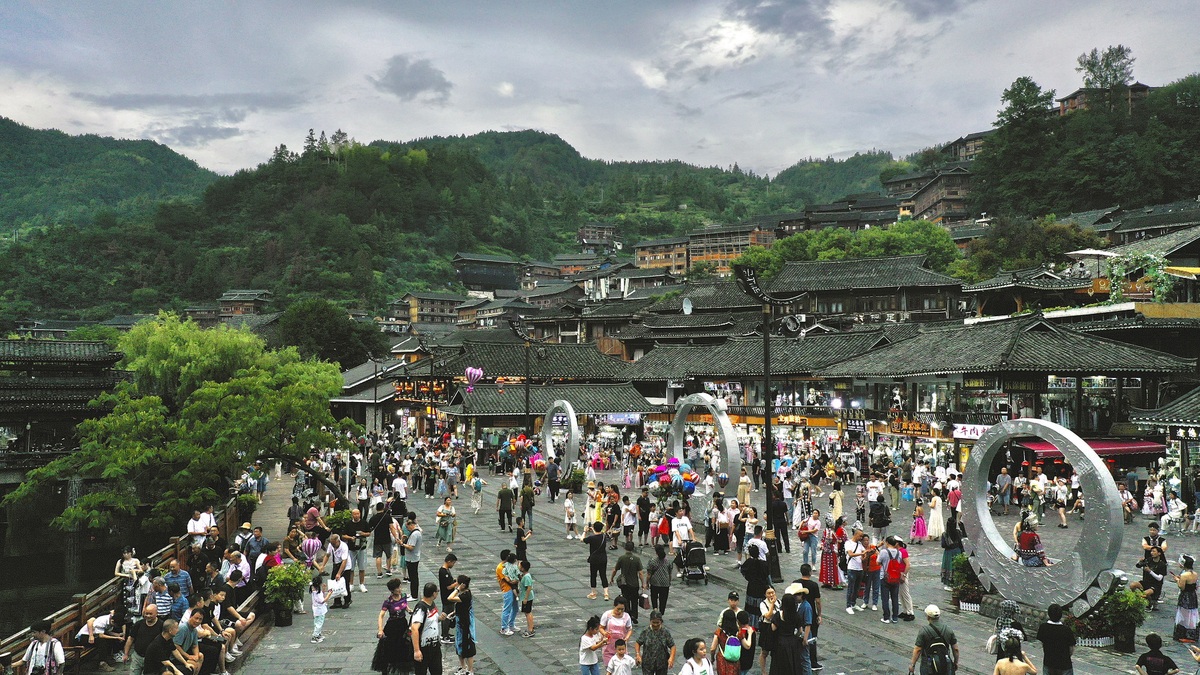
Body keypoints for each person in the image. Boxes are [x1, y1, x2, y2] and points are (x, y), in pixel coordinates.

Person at [372, 577, 414, 674]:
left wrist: (409, 610)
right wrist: (380, 629)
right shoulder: (388, 601)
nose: (399, 589)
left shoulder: (403, 596)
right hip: (392, 627)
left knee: (403, 647)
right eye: (397, 588)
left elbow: (405, 605)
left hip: (403, 625)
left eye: (400, 587)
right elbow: (381, 615)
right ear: (392, 590)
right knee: (390, 649)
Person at [909, 604, 958, 675]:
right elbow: (956, 649)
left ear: (928, 617)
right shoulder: (948, 630)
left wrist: (912, 665)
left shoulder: (923, 631)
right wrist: (955, 662)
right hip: (944, 662)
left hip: (927, 664)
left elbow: (918, 650)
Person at [410, 582, 442, 675]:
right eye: (437, 591)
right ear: (434, 593)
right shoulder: (421, 608)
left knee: (437, 671)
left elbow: (432, 620)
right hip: (424, 647)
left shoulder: (432, 604)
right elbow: (414, 628)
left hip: (435, 646)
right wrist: (417, 650)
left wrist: (440, 618)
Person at [1035, 602, 1076, 675]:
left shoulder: (1043, 627)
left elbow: (1042, 643)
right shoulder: (1066, 630)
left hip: (1049, 662)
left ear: (1049, 614)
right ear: (1061, 615)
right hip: (1064, 664)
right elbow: (1071, 649)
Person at [447, 575, 476, 675]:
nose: (456, 584)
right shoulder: (464, 594)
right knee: (459, 644)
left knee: (468, 646)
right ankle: (463, 667)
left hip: (465, 624)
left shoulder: (465, 595)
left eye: (458, 583)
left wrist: (457, 589)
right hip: (460, 622)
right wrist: (454, 612)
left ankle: (470, 670)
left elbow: (450, 598)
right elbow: (462, 606)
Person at [611, 542, 644, 625]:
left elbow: (615, 570)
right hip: (635, 584)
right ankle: (634, 615)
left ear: (625, 548)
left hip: (625, 584)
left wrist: (611, 578)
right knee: (634, 601)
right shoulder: (637, 559)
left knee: (626, 600)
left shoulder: (622, 558)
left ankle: (628, 615)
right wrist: (643, 583)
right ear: (633, 548)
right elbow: (640, 573)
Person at [634, 610, 676, 675]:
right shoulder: (646, 631)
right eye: (653, 622)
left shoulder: (665, 632)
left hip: (662, 662)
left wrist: (671, 658)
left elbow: (672, 646)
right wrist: (637, 654)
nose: (655, 625)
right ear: (650, 621)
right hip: (647, 662)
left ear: (661, 622)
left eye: (657, 622)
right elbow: (638, 643)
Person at [1133, 546, 1169, 611]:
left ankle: (1150, 602)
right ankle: (1147, 599)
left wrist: (1150, 571)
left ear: (1159, 553)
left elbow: (1159, 578)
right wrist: (1139, 561)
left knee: (1144, 594)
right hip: (1146, 582)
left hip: (1155, 585)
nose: (1152, 553)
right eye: (1151, 551)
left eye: (1154, 551)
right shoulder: (1149, 560)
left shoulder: (1162, 565)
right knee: (1133, 585)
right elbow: (1138, 566)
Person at [600, 597, 633, 665]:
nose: (620, 611)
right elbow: (601, 628)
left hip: (621, 647)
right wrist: (605, 633)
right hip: (608, 646)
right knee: (609, 667)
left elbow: (629, 629)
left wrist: (627, 638)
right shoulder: (607, 615)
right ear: (614, 606)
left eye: (622, 609)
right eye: (618, 609)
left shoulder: (626, 616)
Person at [1174, 554, 1199, 643]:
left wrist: (1177, 580)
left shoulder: (1184, 575)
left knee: (1183, 614)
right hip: (1193, 595)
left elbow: (1182, 587)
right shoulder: (1195, 574)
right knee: (1191, 615)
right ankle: (1191, 634)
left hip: (1185, 596)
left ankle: (1183, 634)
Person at [585, 521, 612, 601]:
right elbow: (599, 533)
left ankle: (593, 593)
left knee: (593, 575)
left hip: (594, 559)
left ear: (594, 528)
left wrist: (585, 531)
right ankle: (606, 594)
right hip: (603, 559)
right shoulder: (604, 536)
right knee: (603, 575)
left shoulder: (591, 538)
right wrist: (594, 529)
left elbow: (582, 539)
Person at [496, 549, 519, 637]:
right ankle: (504, 628)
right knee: (507, 609)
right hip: (507, 589)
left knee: (515, 608)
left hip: (513, 588)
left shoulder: (509, 565)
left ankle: (511, 624)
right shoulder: (500, 567)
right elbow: (507, 579)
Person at [845, 526, 868, 613]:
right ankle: (848, 606)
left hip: (859, 568)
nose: (861, 538)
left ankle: (853, 603)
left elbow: (863, 557)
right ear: (855, 534)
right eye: (860, 536)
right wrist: (861, 554)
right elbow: (850, 554)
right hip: (852, 568)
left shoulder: (860, 544)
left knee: (857, 588)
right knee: (851, 588)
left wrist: (865, 555)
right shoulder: (848, 543)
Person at [820, 516, 846, 589]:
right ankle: (834, 583)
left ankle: (826, 581)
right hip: (831, 552)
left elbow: (823, 540)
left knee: (825, 567)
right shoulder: (831, 532)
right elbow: (830, 541)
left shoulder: (825, 531)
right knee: (833, 567)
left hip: (825, 552)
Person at [646, 544, 672, 616]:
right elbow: (669, 573)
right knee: (663, 600)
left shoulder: (652, 561)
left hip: (655, 582)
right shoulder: (668, 561)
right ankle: (661, 613)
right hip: (665, 583)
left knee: (654, 597)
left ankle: (655, 610)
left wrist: (647, 582)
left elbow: (649, 574)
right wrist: (669, 581)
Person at [402, 513, 423, 601]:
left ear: (411, 525)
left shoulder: (414, 534)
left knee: (413, 578)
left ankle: (414, 595)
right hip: (414, 557)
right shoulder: (417, 532)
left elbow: (411, 547)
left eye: (408, 527)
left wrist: (403, 544)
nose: (408, 529)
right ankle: (413, 593)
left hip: (412, 558)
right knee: (413, 577)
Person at [518, 559, 536, 638]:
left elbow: (529, 588)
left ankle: (530, 630)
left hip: (527, 597)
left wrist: (525, 598)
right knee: (527, 612)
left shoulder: (527, 577)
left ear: (523, 568)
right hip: (525, 596)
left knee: (528, 613)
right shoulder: (524, 576)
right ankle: (530, 627)